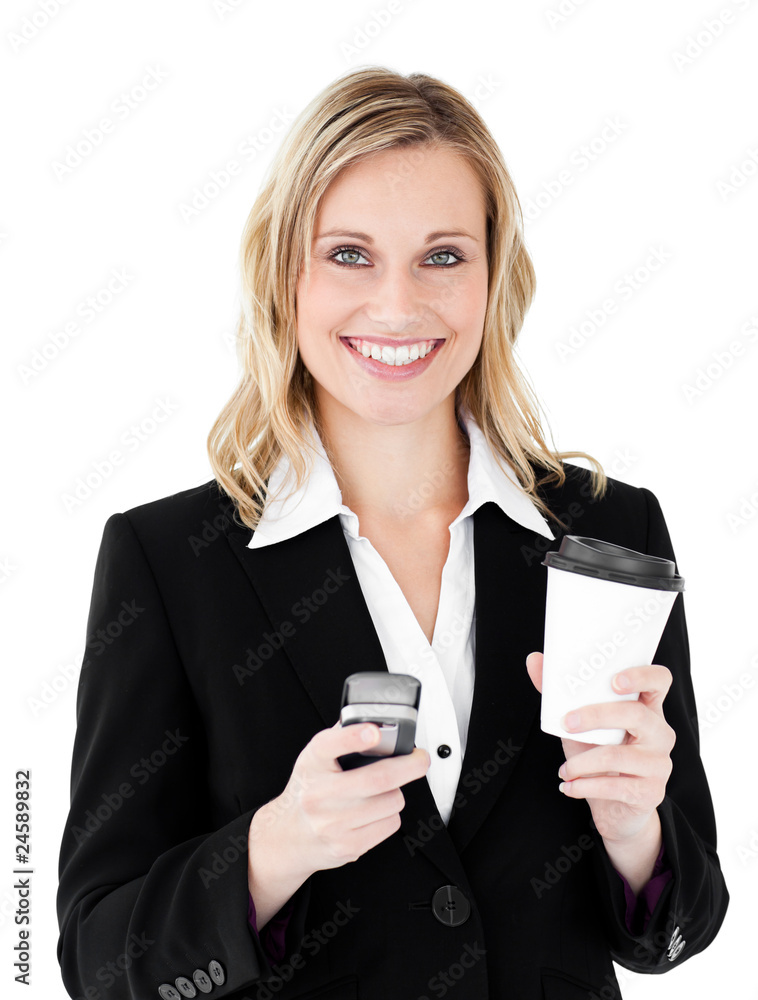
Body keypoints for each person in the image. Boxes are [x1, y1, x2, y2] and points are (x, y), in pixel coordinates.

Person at [56, 66, 728, 1000]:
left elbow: (684, 925)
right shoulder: (169, 563)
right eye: (349, 254)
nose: (398, 306)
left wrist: (635, 830)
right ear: (284, 274)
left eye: (443, 256)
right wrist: (276, 847)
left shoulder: (611, 532)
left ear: (494, 277)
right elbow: (97, 959)